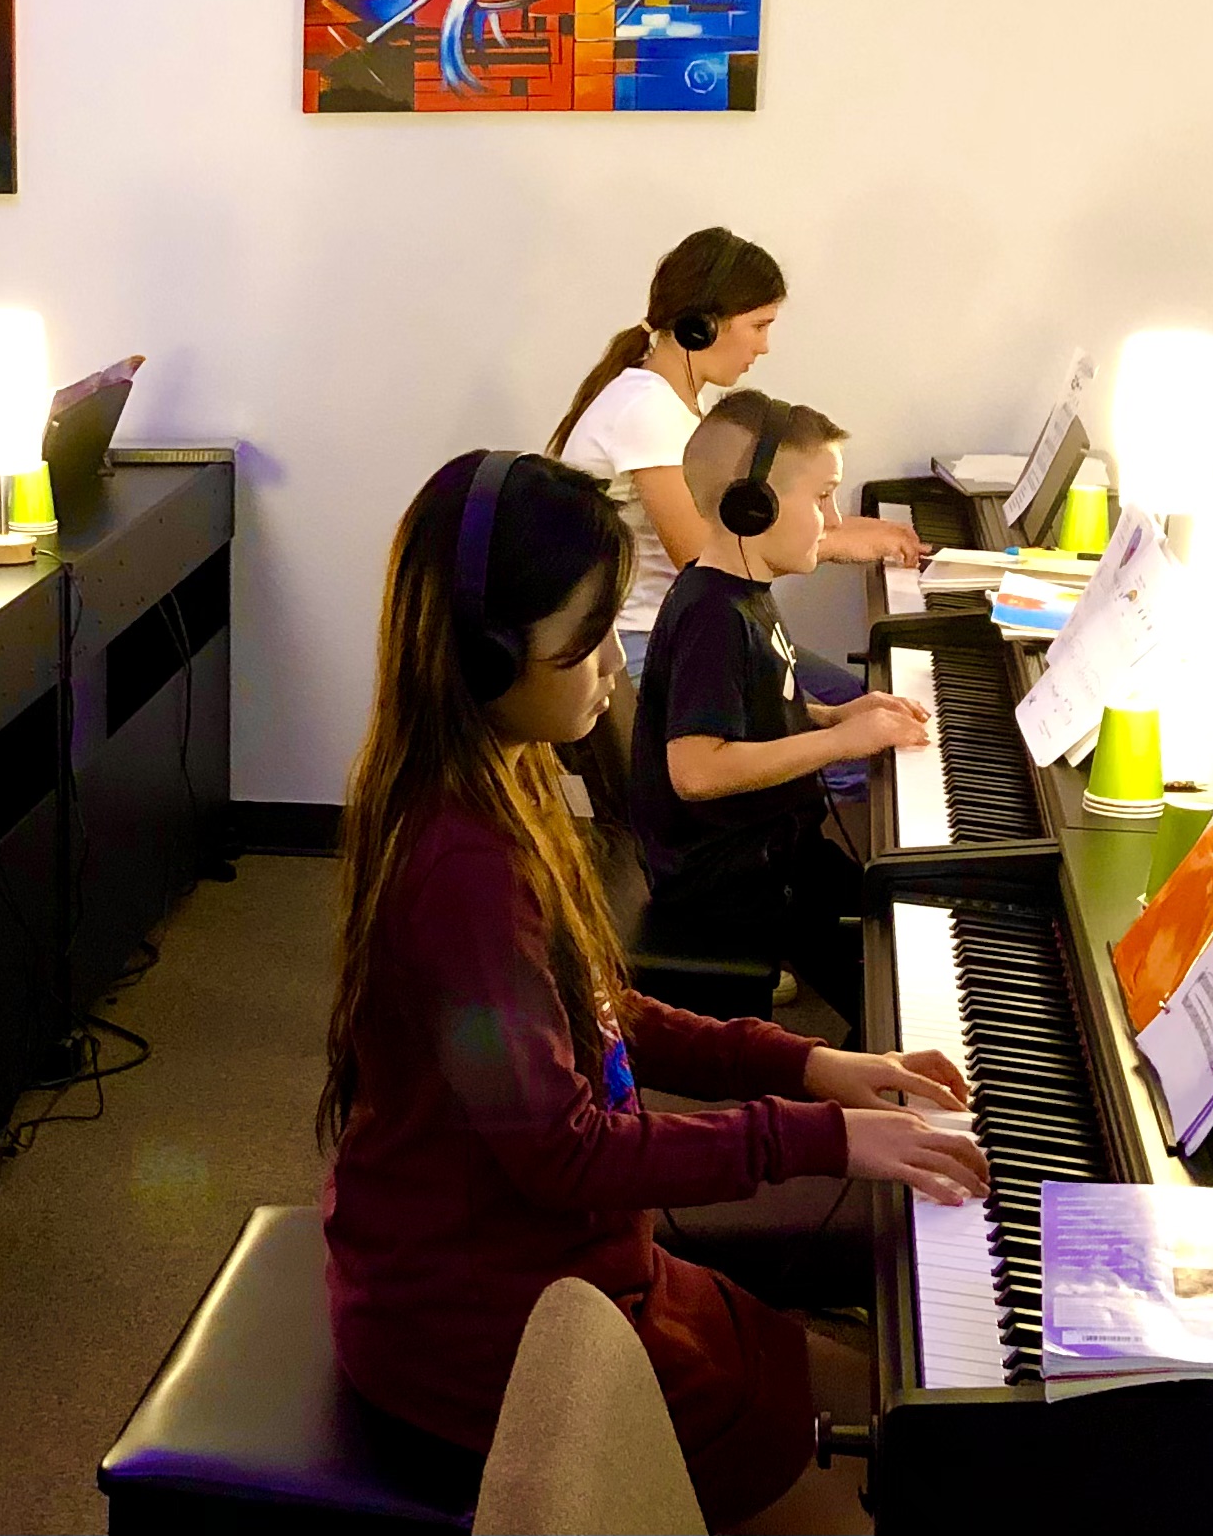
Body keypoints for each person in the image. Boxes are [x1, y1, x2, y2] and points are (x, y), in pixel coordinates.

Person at [319, 451, 987, 1533]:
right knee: (853, 1495)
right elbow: (565, 1150)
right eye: (582, 646)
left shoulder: (503, 771)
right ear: (488, 656)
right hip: (486, 1318)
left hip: (564, 1259)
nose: (609, 670)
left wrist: (810, 1060)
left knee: (875, 1403)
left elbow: (597, 1009)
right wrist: (821, 1136)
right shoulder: (459, 868)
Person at [629, 393, 936, 1028]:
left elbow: (757, 710)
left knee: (905, 912)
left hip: (775, 854)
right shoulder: (714, 615)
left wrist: (835, 717)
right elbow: (697, 770)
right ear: (754, 506)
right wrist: (843, 745)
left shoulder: (741, 592)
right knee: (899, 992)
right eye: (821, 497)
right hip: (738, 883)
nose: (832, 519)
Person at [550, 227, 928, 683]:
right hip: (639, 646)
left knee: (853, 699)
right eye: (759, 326)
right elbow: (701, 561)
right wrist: (835, 544)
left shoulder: (673, 401)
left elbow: (727, 525)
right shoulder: (647, 410)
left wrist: (855, 529)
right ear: (702, 326)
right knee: (852, 713)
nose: (764, 346)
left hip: (672, 631)